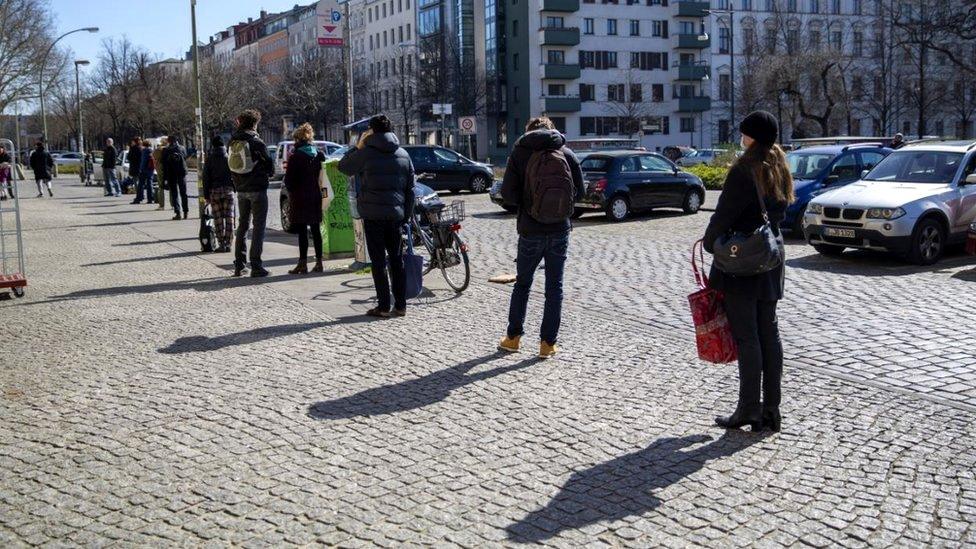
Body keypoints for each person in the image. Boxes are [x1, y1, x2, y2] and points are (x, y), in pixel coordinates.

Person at [702, 110, 795, 433]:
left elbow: (724, 214)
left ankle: (748, 409)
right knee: (770, 334)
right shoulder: (779, 165)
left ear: (751, 136)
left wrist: (710, 242)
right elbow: (781, 211)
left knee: (748, 337)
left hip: (742, 263)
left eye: (744, 133)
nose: (740, 137)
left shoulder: (745, 169)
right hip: (769, 260)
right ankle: (772, 410)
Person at [497, 117, 585, 359]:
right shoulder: (566, 152)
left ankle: (513, 339)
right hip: (559, 230)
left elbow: (508, 195)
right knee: (554, 288)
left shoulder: (520, 153)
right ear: (551, 129)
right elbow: (581, 192)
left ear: (529, 132)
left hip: (530, 230)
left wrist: (529, 201)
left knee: (523, 284)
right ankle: (547, 344)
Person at [338, 115, 415, 317]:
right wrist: (405, 216)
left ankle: (383, 306)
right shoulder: (403, 154)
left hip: (373, 216)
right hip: (395, 217)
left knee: (379, 262)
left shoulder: (365, 153)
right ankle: (401, 305)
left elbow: (343, 166)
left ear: (371, 131)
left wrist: (359, 145)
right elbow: (411, 190)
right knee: (397, 261)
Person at [229, 109, 274, 277]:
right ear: (255, 123)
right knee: (258, 227)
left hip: (240, 189)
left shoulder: (233, 141)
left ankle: (239, 265)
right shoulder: (257, 142)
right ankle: (256, 265)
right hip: (257, 189)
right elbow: (270, 166)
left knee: (242, 226)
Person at [284, 123, 327, 274]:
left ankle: (302, 263)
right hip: (316, 195)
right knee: (316, 230)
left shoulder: (296, 157)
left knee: (302, 230)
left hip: (300, 197)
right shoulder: (319, 154)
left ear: (297, 139)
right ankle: (319, 262)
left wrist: (291, 191)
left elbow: (288, 180)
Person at [202, 135, 235, 253]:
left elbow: (205, 178)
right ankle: (229, 243)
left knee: (218, 218)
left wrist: (206, 195)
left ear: (213, 145)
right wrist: (234, 188)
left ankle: (221, 243)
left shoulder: (210, 159)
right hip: (228, 190)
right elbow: (234, 174)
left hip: (214, 191)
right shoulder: (229, 157)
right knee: (230, 218)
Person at [162, 135, 189, 220]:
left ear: (169, 141)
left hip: (171, 174)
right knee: (183, 193)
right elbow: (185, 157)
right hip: (182, 173)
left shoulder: (166, 150)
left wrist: (165, 178)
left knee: (174, 194)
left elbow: (164, 164)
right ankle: (186, 212)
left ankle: (178, 213)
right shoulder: (182, 148)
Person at [152, 139, 167, 210]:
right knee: (172, 187)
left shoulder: (159, 149)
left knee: (161, 187)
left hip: (160, 169)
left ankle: (162, 205)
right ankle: (173, 205)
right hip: (170, 170)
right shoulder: (170, 149)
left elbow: (154, 156)